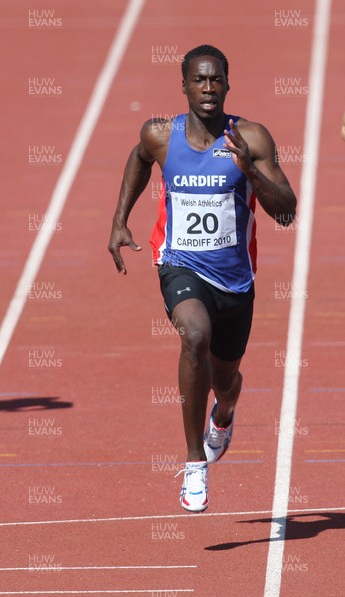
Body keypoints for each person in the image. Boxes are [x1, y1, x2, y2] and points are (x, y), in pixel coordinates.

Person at [108, 44, 297, 513]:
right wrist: (119, 220)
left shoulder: (250, 137)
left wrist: (248, 170)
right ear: (185, 86)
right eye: (199, 80)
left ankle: (226, 412)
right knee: (194, 335)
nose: (208, 88)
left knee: (225, 379)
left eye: (216, 80)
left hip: (234, 281)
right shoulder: (159, 134)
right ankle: (195, 463)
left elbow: (287, 212)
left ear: (228, 85)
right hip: (179, 263)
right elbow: (138, 158)